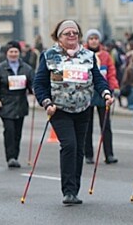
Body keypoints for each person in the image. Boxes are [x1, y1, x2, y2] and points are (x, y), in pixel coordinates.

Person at [33, 20, 114, 206]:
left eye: (75, 32)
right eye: (67, 33)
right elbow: (39, 83)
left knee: (79, 149)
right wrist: (46, 103)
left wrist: (106, 93)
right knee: (69, 145)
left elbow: (98, 79)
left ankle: (74, 189)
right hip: (59, 109)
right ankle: (68, 191)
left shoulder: (88, 55)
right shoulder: (49, 55)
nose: (72, 36)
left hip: (83, 108)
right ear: (59, 37)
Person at [0, 41, 35, 168]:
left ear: (19, 53)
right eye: (11, 52)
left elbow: (32, 84)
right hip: (5, 104)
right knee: (9, 131)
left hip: (20, 103)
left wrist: (35, 91)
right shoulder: (0, 68)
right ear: (7, 54)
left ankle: (15, 156)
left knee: (18, 132)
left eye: (16, 52)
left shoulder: (27, 68)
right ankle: (10, 157)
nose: (13, 54)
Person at [82, 29, 119, 165]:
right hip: (87, 92)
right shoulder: (83, 55)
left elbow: (111, 72)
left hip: (103, 93)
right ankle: (88, 154)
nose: (93, 41)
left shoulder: (106, 55)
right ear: (87, 40)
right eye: (91, 38)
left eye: (96, 38)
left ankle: (109, 154)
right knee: (87, 125)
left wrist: (113, 87)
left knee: (105, 125)